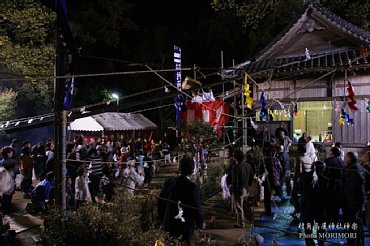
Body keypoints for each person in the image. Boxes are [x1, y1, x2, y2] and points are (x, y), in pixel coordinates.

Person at [158, 156, 204, 244]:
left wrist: (163, 219)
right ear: (192, 170)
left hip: (168, 225)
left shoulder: (168, 182)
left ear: (179, 168)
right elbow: (196, 208)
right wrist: (200, 223)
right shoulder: (192, 187)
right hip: (184, 227)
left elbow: (160, 202)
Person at [300, 161, 329, 246]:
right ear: (321, 169)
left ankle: (309, 243)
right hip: (319, 208)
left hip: (307, 207)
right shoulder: (325, 180)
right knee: (321, 228)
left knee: (308, 227)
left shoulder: (304, 177)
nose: (325, 169)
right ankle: (321, 243)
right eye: (324, 167)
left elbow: (297, 191)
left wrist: (299, 205)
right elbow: (327, 195)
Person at [342, 152, 366, 246]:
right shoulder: (360, 166)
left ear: (350, 158)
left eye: (345, 157)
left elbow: (349, 187)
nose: (344, 158)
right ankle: (358, 242)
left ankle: (352, 243)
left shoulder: (350, 168)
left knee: (352, 223)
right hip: (358, 199)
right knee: (357, 223)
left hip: (352, 201)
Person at [232, 150, 252, 228]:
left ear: (236, 158)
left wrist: (234, 191)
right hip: (246, 188)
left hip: (239, 189)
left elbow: (235, 182)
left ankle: (241, 223)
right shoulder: (248, 165)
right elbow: (251, 176)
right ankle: (248, 219)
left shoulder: (236, 167)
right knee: (244, 205)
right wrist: (248, 186)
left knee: (238, 206)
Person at [324, 147, 345, 223]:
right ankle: (335, 220)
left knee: (330, 203)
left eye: (330, 150)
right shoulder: (341, 161)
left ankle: (330, 220)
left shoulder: (329, 161)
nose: (328, 151)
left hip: (332, 184)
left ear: (332, 152)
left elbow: (326, 173)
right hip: (341, 184)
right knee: (337, 202)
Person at [0, 147, 17, 214]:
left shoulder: (1, 161)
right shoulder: (10, 162)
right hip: (8, 182)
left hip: (2, 183)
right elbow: (14, 172)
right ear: (8, 153)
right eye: (11, 152)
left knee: (4, 198)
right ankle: (6, 212)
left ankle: (4, 211)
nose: (12, 153)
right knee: (7, 198)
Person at [277, 131, 292, 199]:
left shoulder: (281, 155)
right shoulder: (286, 154)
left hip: (284, 171)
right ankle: (289, 193)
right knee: (288, 182)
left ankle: (282, 196)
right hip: (288, 170)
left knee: (281, 184)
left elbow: (280, 164)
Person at [361, 151, 370, 227]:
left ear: (367, 158)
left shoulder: (368, 168)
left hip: (366, 190)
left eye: (364, 156)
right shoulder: (361, 165)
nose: (362, 157)